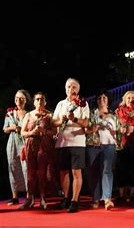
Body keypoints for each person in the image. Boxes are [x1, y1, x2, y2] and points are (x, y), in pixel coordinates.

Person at [52, 78, 90, 213]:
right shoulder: (60, 104)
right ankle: (66, 198)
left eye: (74, 87)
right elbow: (53, 122)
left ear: (78, 90)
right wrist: (61, 120)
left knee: (76, 172)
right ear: (65, 88)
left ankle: (74, 200)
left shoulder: (83, 104)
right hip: (62, 142)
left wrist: (74, 118)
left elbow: (86, 123)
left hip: (77, 142)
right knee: (63, 172)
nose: (71, 89)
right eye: (68, 86)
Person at [20, 92, 56, 210]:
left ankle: (42, 198)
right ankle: (29, 199)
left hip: (44, 145)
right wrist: (32, 132)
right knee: (30, 173)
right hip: (31, 145)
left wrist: (44, 132)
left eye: (42, 99)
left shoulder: (49, 115)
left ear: (45, 102)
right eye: (37, 99)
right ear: (34, 102)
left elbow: (55, 131)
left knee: (42, 173)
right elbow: (22, 133)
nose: (40, 101)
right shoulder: (29, 115)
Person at [85, 91, 118, 210]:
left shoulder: (114, 116)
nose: (102, 99)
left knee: (107, 171)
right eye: (99, 97)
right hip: (93, 145)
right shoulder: (91, 115)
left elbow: (118, 132)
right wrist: (92, 129)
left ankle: (107, 199)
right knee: (93, 172)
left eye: (104, 97)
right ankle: (95, 199)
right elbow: (85, 129)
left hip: (109, 145)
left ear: (108, 100)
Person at [114, 90, 134, 204]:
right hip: (121, 143)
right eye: (128, 98)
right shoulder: (118, 111)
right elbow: (113, 127)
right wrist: (119, 130)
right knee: (121, 168)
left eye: (133, 98)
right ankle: (121, 195)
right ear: (124, 100)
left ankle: (133, 194)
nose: (130, 100)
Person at [3, 90, 31, 206]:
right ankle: (15, 197)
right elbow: (5, 129)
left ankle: (29, 196)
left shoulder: (29, 114)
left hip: (24, 142)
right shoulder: (10, 113)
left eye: (21, 98)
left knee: (26, 168)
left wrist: (21, 129)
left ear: (26, 100)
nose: (18, 101)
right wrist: (11, 127)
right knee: (13, 167)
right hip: (12, 142)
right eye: (17, 98)